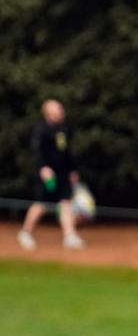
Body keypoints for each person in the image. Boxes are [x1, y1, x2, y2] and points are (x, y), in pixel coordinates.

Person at [18, 99, 85, 251]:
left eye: (61, 108)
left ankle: (69, 236)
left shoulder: (64, 129)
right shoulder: (41, 130)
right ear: (48, 112)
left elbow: (66, 153)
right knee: (42, 204)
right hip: (47, 174)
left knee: (66, 203)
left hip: (63, 173)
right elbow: (36, 151)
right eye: (57, 109)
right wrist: (43, 168)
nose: (61, 111)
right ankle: (26, 232)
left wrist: (72, 170)